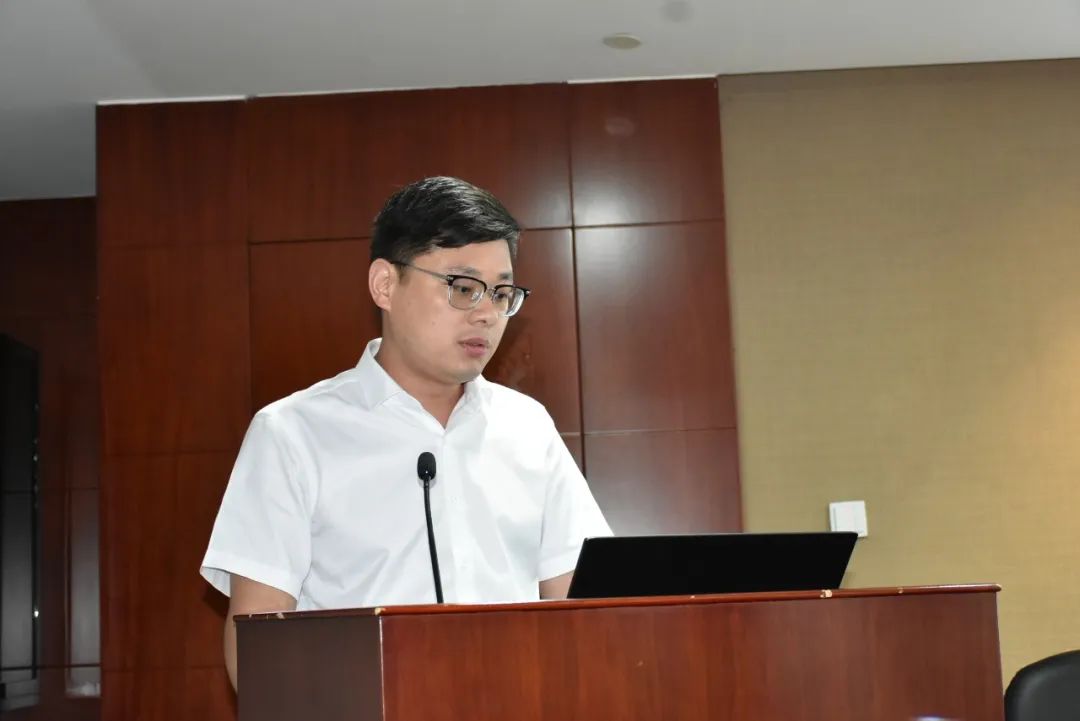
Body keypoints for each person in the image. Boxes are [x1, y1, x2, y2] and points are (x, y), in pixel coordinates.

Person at [199, 176, 611, 689]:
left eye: (502, 293)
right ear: (385, 285)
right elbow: (257, 642)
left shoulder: (527, 427)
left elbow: (584, 606)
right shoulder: (293, 434)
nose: (487, 313)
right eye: (463, 288)